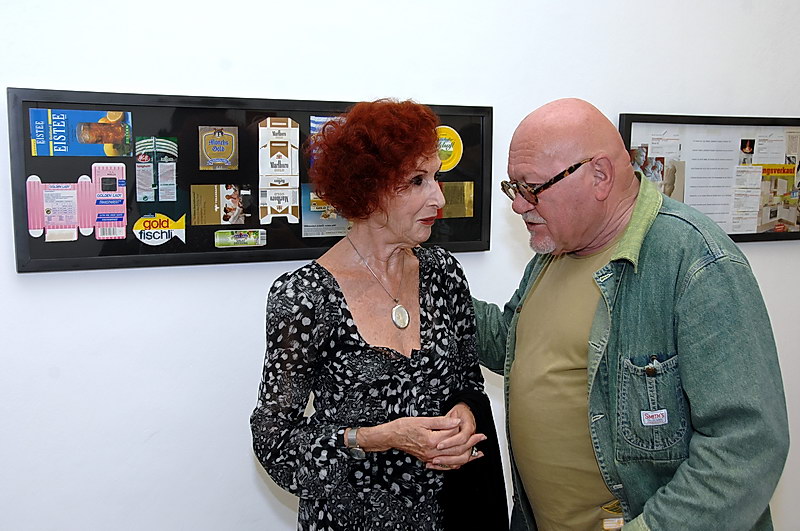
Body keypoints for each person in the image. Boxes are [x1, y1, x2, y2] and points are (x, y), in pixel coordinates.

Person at [474, 98, 789, 531]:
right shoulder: (555, 250)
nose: (518, 205)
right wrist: (422, 277)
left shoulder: (695, 262)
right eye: (514, 188)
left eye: (532, 188)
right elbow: (511, 342)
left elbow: (746, 447)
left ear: (599, 176)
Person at [251, 99, 507, 531]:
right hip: (350, 519)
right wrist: (377, 437)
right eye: (417, 181)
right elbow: (274, 443)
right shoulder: (304, 297)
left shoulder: (444, 274)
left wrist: (465, 412)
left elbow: (468, 380)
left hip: (450, 513)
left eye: (437, 177)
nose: (438, 197)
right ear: (369, 191)